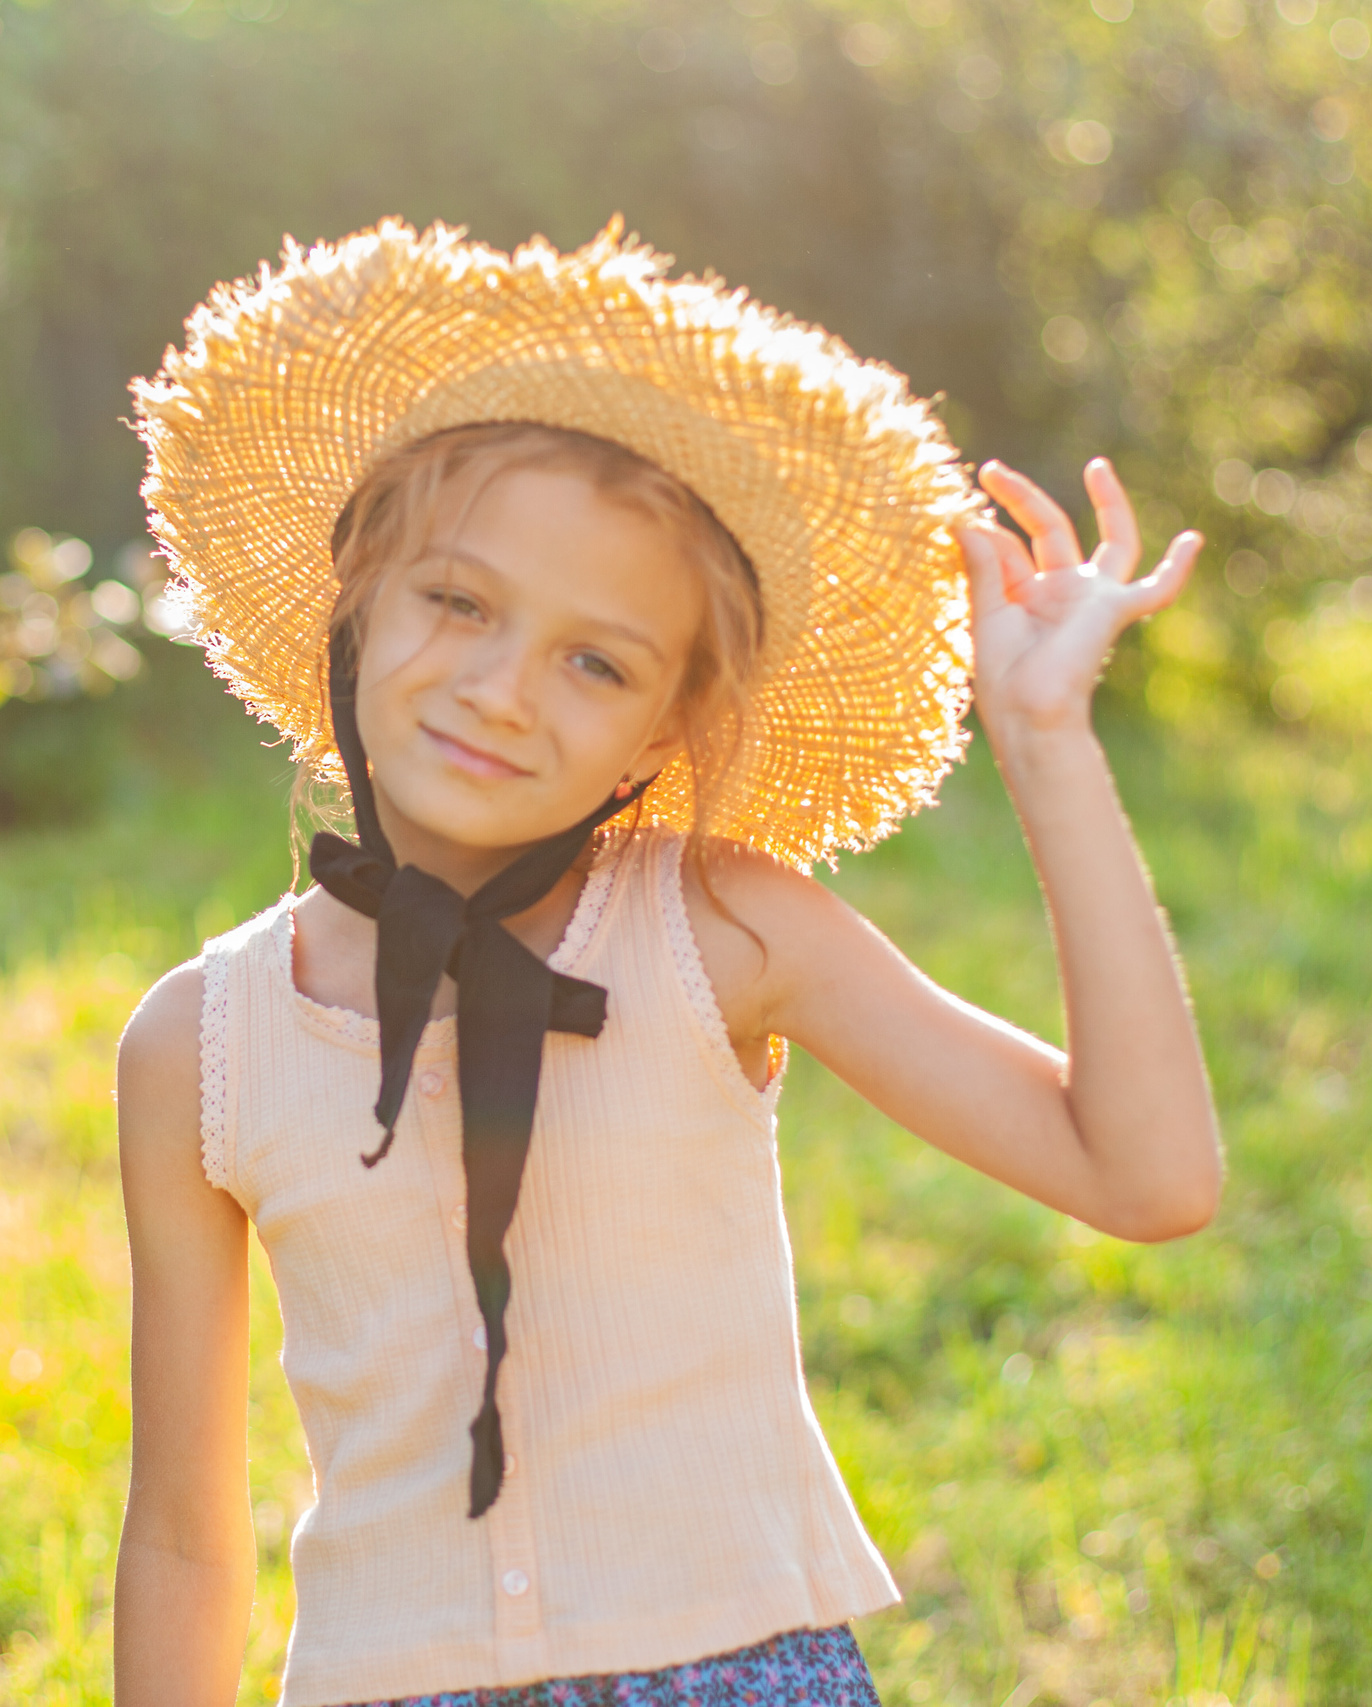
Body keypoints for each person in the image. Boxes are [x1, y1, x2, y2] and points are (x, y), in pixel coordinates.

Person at [113, 220, 1222, 1707]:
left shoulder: (725, 932)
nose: (502, 691)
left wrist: (1044, 743)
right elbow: (185, 1535)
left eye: (597, 661)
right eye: (460, 601)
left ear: (662, 735)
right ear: (356, 595)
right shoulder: (204, 1042)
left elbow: (1145, 1179)